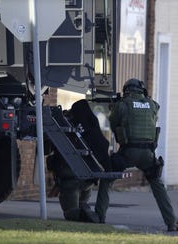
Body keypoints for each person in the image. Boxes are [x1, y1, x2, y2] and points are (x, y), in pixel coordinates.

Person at [109, 78, 178, 232]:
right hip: (148, 153)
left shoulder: (123, 104)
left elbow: (113, 124)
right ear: (142, 90)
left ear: (127, 90)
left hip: (128, 152)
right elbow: (152, 118)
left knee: (107, 178)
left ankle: (98, 216)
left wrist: (114, 108)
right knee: (158, 185)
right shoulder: (152, 104)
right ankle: (171, 222)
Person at [46, 99, 112, 223]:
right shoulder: (92, 130)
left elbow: (50, 152)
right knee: (81, 205)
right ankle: (84, 208)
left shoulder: (67, 130)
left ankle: (88, 216)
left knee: (70, 213)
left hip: (70, 181)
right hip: (89, 179)